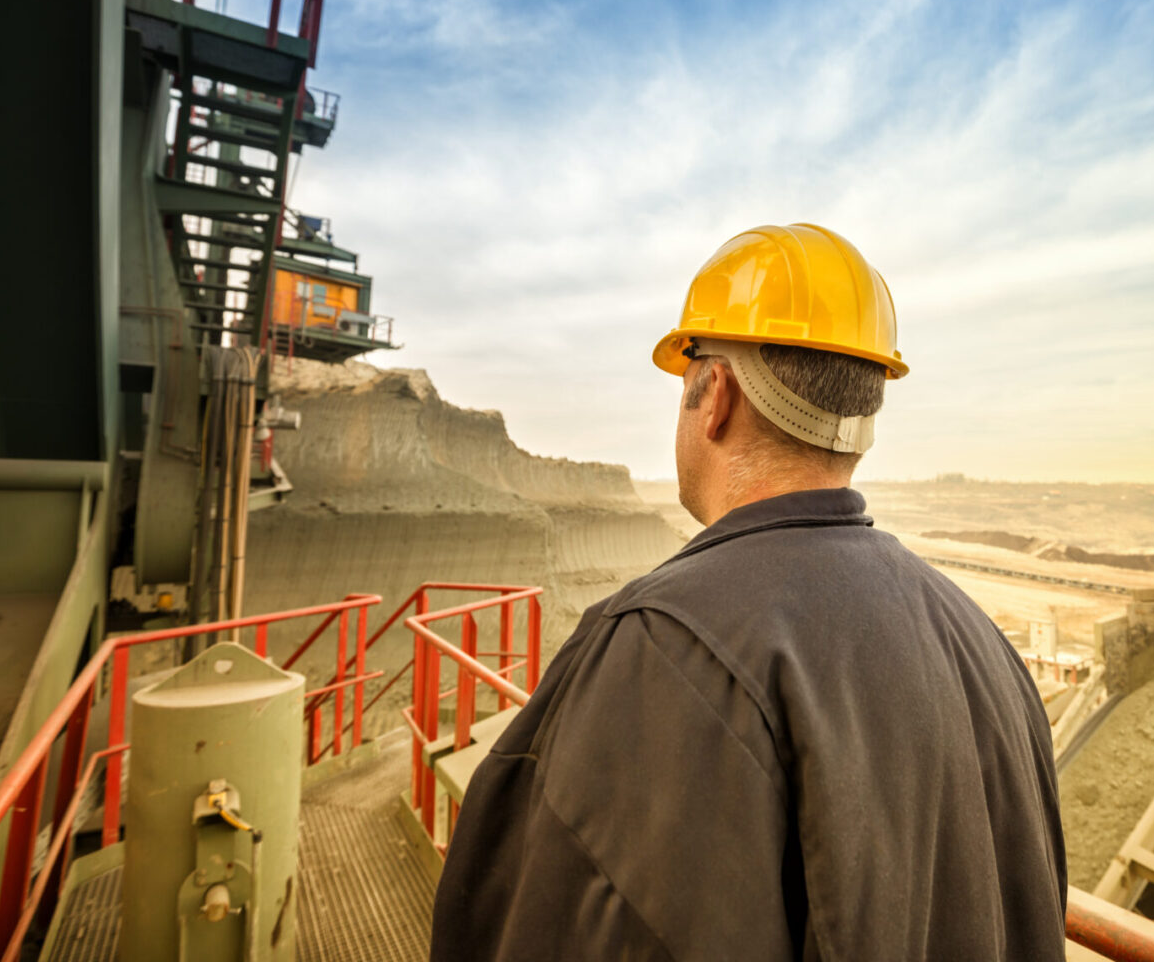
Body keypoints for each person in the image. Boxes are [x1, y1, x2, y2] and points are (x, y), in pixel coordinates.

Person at [432, 223, 1068, 960]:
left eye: (683, 386)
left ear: (717, 397)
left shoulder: (661, 643)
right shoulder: (978, 642)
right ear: (862, 421)